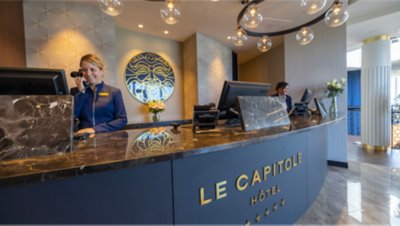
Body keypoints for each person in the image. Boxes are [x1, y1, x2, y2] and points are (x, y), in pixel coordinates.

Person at [73, 54, 127, 134]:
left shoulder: (114, 92)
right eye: (84, 70)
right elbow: (72, 117)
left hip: (108, 139)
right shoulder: (76, 92)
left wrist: (95, 129)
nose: (88, 73)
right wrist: (81, 92)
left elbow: (122, 120)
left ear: (101, 70)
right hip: (84, 140)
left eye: (92, 69)